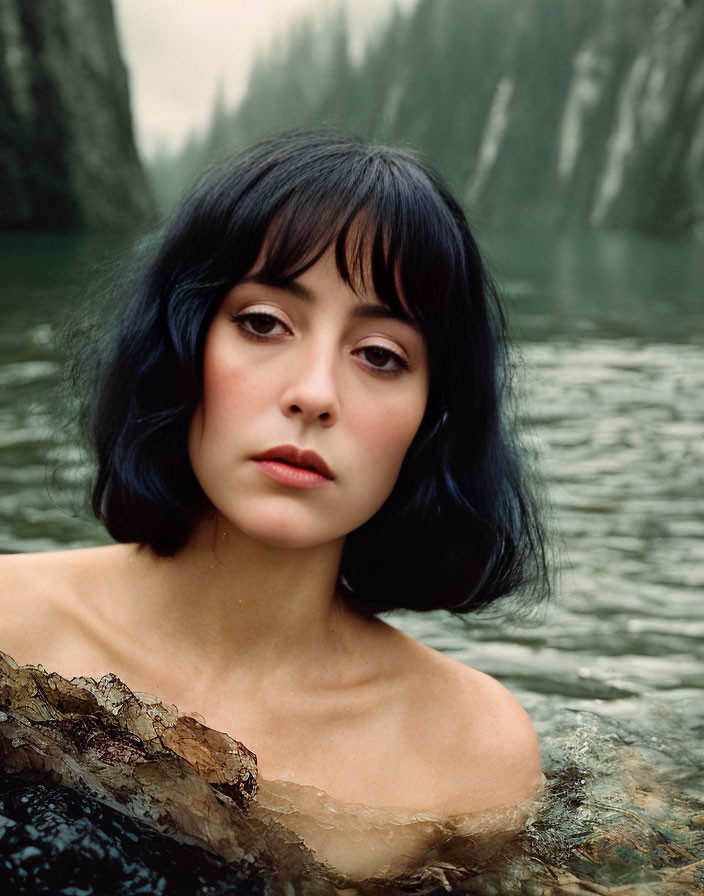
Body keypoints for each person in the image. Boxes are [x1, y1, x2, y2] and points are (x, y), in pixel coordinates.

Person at [0, 133, 549, 880]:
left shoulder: (474, 754)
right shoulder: (9, 624)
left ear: (435, 418)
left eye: (381, 355)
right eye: (263, 323)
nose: (315, 393)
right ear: (183, 343)